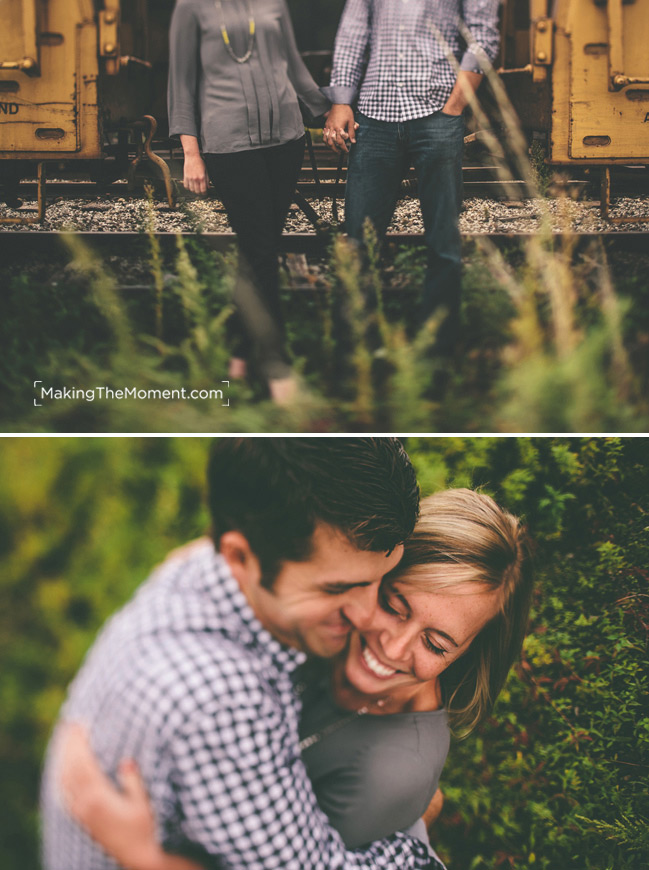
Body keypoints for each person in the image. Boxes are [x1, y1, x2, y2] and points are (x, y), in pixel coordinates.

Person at [54, 489, 533, 868]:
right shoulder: (323, 613)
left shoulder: (387, 774)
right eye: (393, 604)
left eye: (436, 644)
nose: (393, 647)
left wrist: (144, 857)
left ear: (467, 655)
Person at [169, 1, 330, 403]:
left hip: (287, 138)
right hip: (230, 142)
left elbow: (293, 64)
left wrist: (329, 111)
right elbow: (181, 82)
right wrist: (192, 152)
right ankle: (277, 367)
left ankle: (238, 357)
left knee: (258, 251)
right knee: (261, 249)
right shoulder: (191, 7)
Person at [322, 0, 500, 357]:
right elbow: (353, 33)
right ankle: (357, 351)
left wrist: (455, 105)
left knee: (443, 241)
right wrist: (341, 100)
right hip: (374, 117)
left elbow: (483, 36)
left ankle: (435, 350)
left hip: (436, 113)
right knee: (359, 239)